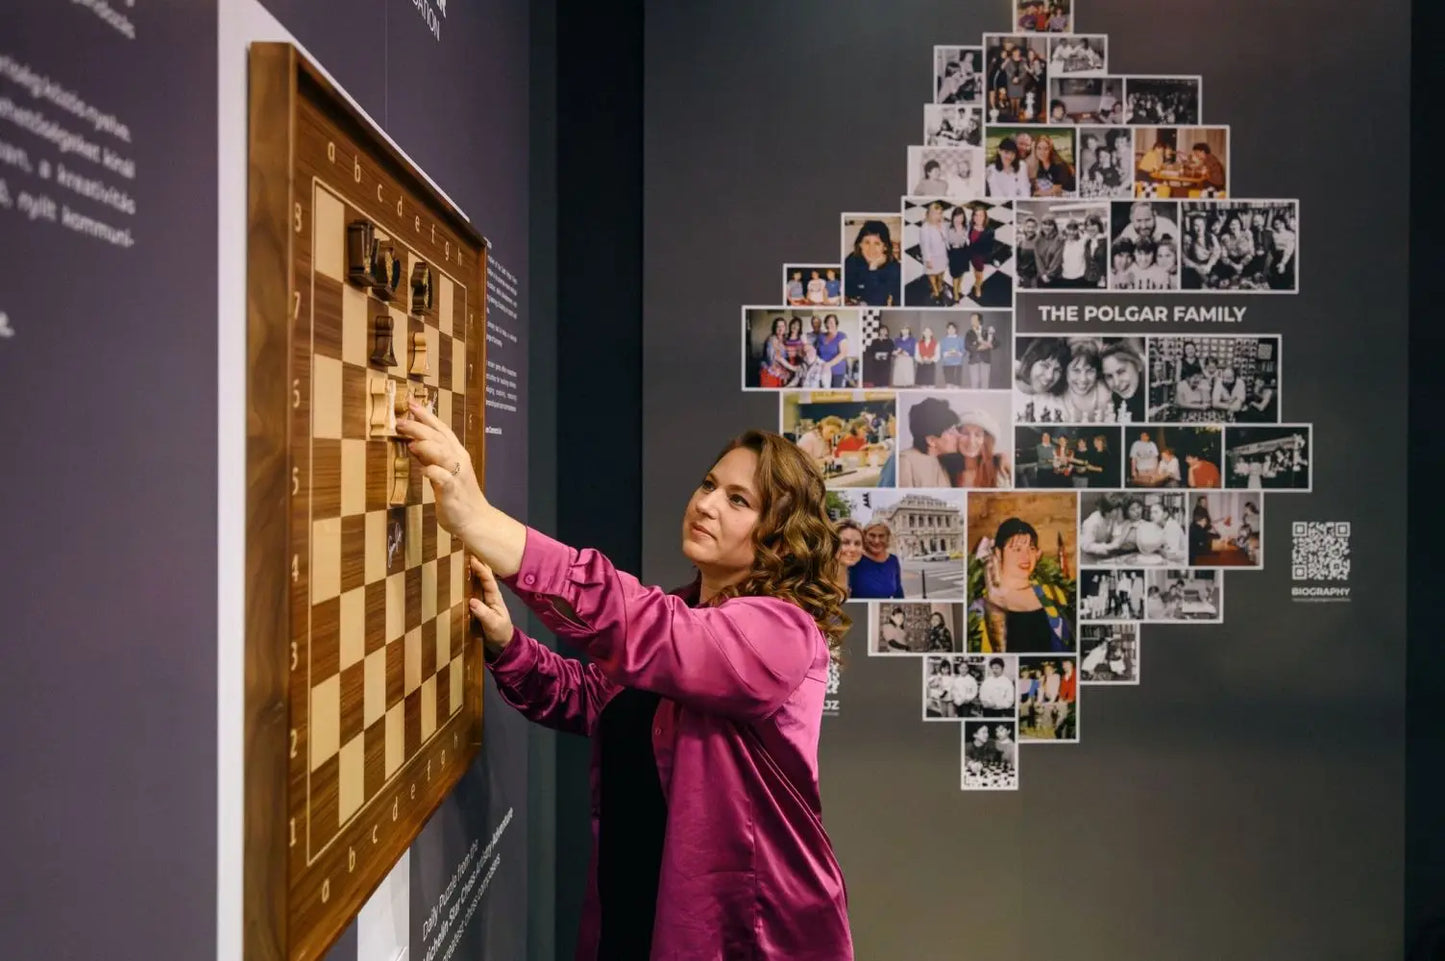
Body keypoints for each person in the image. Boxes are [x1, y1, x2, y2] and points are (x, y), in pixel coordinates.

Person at [396, 404, 854, 960]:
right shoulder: (690, 613)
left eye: (738, 500)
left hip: (738, 935)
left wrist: (480, 522)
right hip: (638, 905)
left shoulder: (782, 631)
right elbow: (593, 700)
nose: (705, 504)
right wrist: (506, 646)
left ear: (780, 539)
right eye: (709, 484)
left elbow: (643, 627)